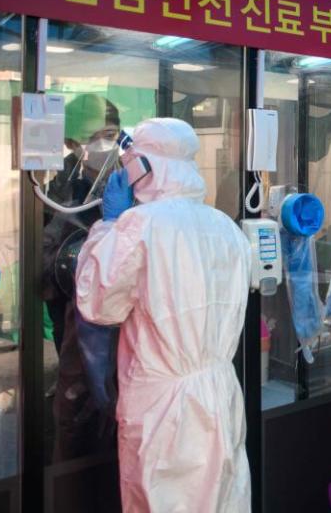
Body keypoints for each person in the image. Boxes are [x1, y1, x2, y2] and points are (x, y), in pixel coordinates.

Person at [75, 118, 252, 513]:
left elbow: (98, 303)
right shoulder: (225, 226)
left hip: (164, 406)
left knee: (164, 500)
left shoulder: (140, 225)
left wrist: (107, 226)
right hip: (221, 390)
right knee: (223, 498)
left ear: (142, 165)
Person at [41, 93, 121, 462]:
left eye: (112, 133)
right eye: (95, 136)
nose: (107, 145)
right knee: (78, 398)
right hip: (74, 310)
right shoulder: (55, 189)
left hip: (123, 314)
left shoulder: (131, 180)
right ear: (73, 143)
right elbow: (41, 256)